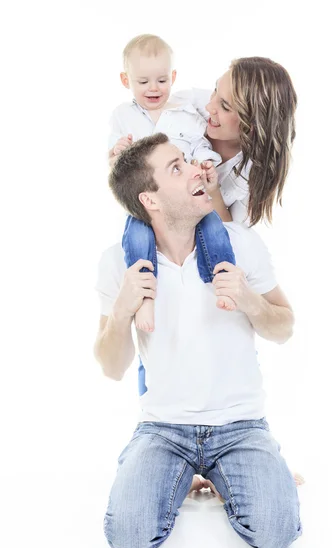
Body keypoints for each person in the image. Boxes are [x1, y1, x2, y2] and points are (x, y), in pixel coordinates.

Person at [95, 133, 302, 548]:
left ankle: (250, 465)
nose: (196, 170)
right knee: (128, 538)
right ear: (149, 200)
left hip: (240, 425)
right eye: (176, 167)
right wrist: (120, 313)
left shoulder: (238, 244)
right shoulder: (119, 262)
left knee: (277, 533)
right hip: (163, 429)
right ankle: (157, 465)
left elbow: (284, 328)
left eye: (187, 160)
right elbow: (112, 367)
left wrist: (250, 301)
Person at [109, 34, 236, 333]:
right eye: (143, 82)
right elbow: (116, 165)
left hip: (185, 201)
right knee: (137, 238)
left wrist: (205, 162)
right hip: (147, 200)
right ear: (126, 80)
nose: (154, 88)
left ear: (173, 78)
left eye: (162, 80)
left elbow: (200, 145)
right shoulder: (123, 116)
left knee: (214, 227)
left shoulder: (184, 113)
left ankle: (222, 281)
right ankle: (145, 298)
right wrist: (116, 153)